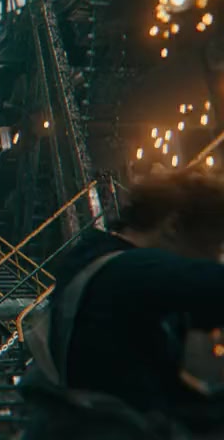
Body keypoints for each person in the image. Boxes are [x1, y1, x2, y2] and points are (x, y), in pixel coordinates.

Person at [20, 167, 224, 439]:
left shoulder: (96, 263)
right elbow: (209, 284)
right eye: (214, 245)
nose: (216, 258)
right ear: (173, 226)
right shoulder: (127, 271)